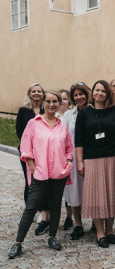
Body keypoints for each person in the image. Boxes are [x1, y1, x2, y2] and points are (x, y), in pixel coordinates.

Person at [9, 90, 73, 259]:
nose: (51, 105)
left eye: (55, 101)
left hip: (59, 173)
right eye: (48, 101)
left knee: (55, 205)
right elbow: (26, 147)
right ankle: (18, 242)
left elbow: (69, 148)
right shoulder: (33, 123)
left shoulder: (62, 126)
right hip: (40, 172)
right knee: (31, 207)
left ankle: (52, 237)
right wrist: (32, 167)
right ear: (44, 103)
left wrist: (68, 163)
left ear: (59, 104)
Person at [75, 80, 115, 248]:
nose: (99, 93)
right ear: (92, 93)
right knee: (96, 196)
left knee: (111, 195)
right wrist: (79, 162)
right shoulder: (84, 113)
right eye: (96, 90)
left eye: (102, 91)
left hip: (113, 158)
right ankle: (100, 232)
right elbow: (79, 140)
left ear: (108, 93)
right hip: (91, 159)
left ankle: (110, 230)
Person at [16, 83, 47, 230]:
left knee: (43, 180)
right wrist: (30, 148)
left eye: (39, 91)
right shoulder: (23, 111)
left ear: (42, 94)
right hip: (27, 152)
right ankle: (31, 208)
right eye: (33, 91)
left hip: (44, 152)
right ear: (29, 94)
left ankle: (42, 210)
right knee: (29, 180)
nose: (36, 93)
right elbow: (20, 132)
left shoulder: (45, 109)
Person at [63, 83, 90, 241]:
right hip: (73, 157)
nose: (79, 97)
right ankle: (78, 224)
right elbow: (64, 137)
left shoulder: (94, 111)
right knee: (75, 191)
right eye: (76, 95)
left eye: (81, 94)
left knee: (92, 190)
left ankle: (95, 222)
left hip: (92, 155)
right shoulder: (68, 115)